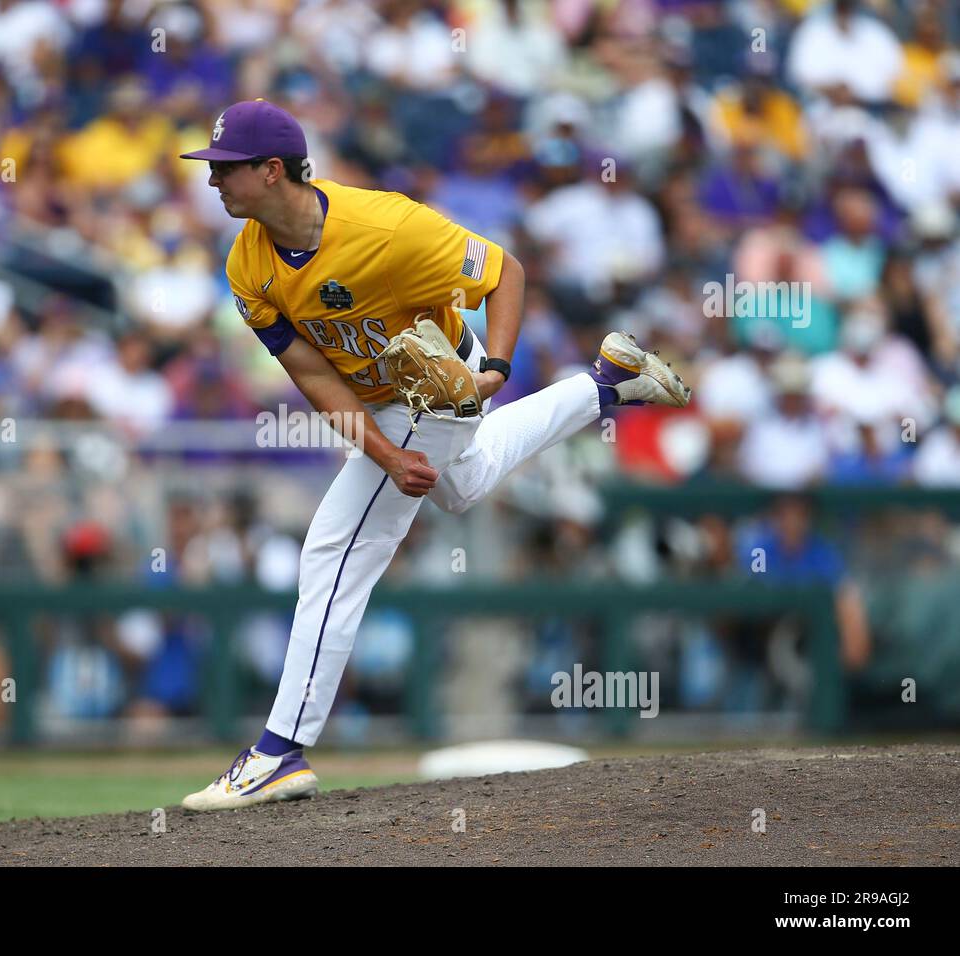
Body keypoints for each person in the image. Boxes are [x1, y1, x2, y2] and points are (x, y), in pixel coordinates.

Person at [174, 101, 692, 811]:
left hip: (442, 379)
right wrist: (386, 454)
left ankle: (280, 749)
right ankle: (605, 383)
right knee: (463, 484)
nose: (214, 182)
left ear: (272, 171)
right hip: (388, 395)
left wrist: (498, 373)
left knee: (336, 546)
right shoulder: (247, 263)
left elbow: (504, 272)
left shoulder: (386, 226)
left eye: (227, 169)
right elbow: (317, 377)